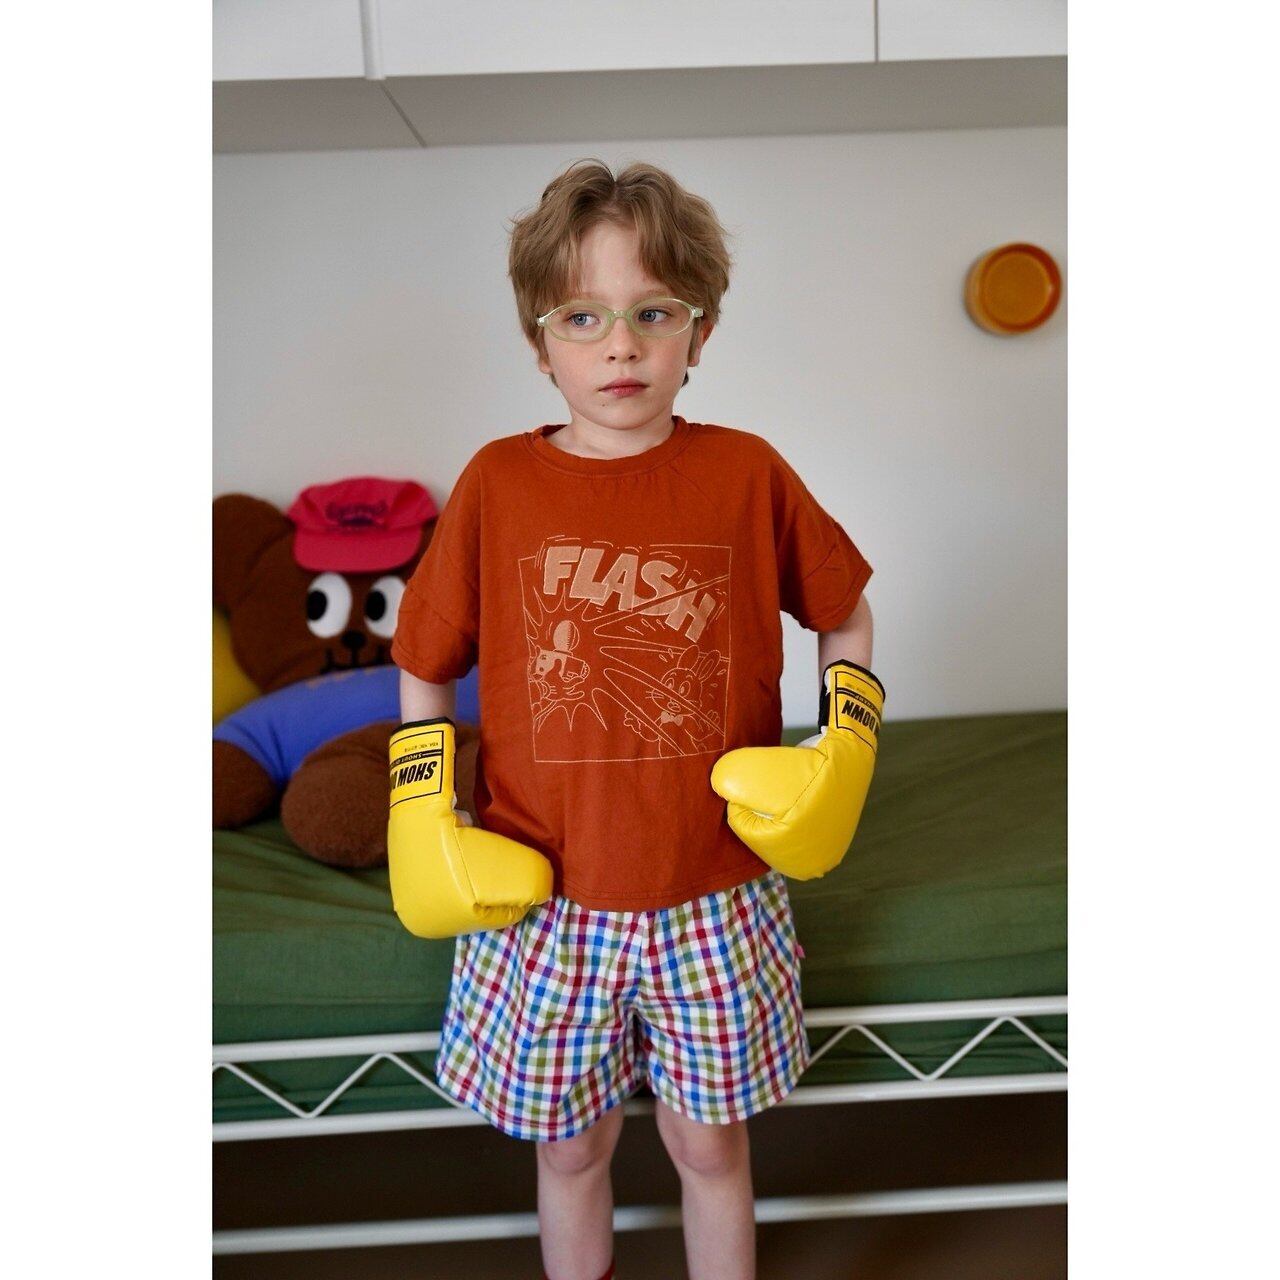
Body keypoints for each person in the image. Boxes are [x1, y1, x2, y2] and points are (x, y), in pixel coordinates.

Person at [388, 159, 882, 1280]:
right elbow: (423, 658)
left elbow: (844, 612)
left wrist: (842, 747)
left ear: (699, 331)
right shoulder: (496, 483)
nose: (620, 346)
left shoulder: (746, 471)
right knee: (570, 1151)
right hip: (543, 899)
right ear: (539, 342)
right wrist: (421, 811)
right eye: (583, 317)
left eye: (654, 312)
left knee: (710, 1145)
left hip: (714, 888)